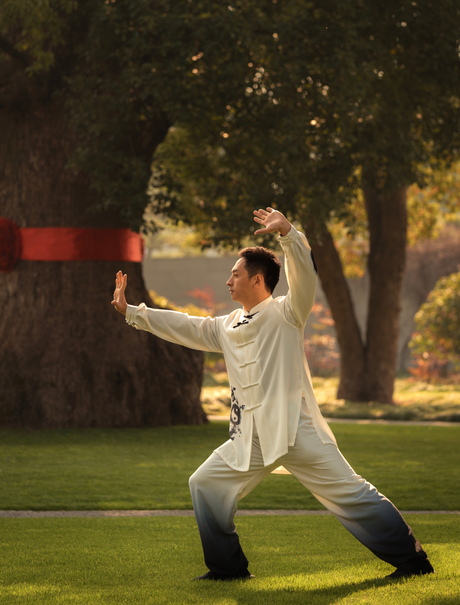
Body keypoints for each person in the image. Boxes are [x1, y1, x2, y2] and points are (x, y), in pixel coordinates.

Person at [111, 207, 434, 581]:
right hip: (251, 438)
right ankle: (228, 568)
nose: (228, 280)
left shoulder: (287, 313)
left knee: (352, 494)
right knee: (204, 483)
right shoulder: (226, 325)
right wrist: (132, 312)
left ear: (258, 280)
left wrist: (289, 236)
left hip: (297, 432)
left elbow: (305, 279)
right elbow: (185, 324)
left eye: (235, 274)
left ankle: (414, 562)